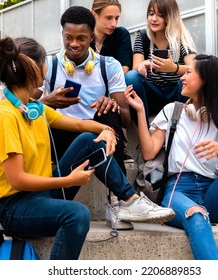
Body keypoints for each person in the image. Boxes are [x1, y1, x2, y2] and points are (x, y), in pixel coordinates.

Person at [0, 35, 175, 260]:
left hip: (42, 195)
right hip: (15, 208)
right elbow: (17, 180)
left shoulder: (33, 107)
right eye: (44, 61)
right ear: (34, 70)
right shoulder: (6, 117)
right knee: (77, 214)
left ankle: (130, 201)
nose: (48, 66)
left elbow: (78, 124)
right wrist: (69, 181)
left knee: (87, 139)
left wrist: (105, 130)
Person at [125, 54, 218, 260]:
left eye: (188, 72)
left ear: (205, 80)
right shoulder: (173, 111)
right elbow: (149, 152)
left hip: (214, 193)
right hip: (177, 191)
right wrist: (141, 111)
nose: (182, 77)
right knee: (196, 215)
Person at [29, 6, 133, 231]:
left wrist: (112, 102)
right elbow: (21, 109)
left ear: (92, 36)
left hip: (97, 137)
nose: (74, 44)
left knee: (112, 113)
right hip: (61, 136)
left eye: (81, 38)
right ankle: (27, 201)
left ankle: (116, 203)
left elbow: (125, 120)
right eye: (69, 38)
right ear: (62, 35)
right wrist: (47, 102)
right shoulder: (50, 66)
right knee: (36, 117)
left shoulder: (109, 65)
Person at [90, 0, 135, 230]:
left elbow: (124, 70)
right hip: (85, 104)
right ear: (94, 15)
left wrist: (111, 96)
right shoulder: (81, 36)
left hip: (112, 95)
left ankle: (116, 202)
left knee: (111, 111)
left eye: (116, 18)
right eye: (108, 18)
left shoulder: (120, 35)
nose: (113, 23)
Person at [125, 0, 197, 126]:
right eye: (151, 14)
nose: (154, 19)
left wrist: (173, 68)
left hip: (176, 94)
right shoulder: (142, 36)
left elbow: (195, 69)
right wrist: (144, 64)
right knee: (131, 76)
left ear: (170, 16)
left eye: (160, 15)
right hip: (151, 95)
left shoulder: (181, 37)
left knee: (186, 80)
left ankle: (180, 128)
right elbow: (135, 69)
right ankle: (146, 132)